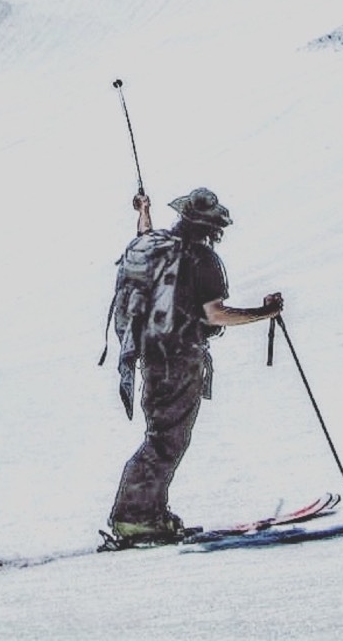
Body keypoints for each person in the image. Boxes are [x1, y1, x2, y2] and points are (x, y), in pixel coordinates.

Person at [107, 186, 283, 544]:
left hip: (152, 355)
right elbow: (215, 314)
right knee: (167, 439)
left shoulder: (156, 246)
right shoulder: (203, 261)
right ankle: (134, 517)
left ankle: (150, 512)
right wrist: (265, 313)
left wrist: (143, 209)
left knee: (161, 434)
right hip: (181, 357)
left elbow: (143, 233)